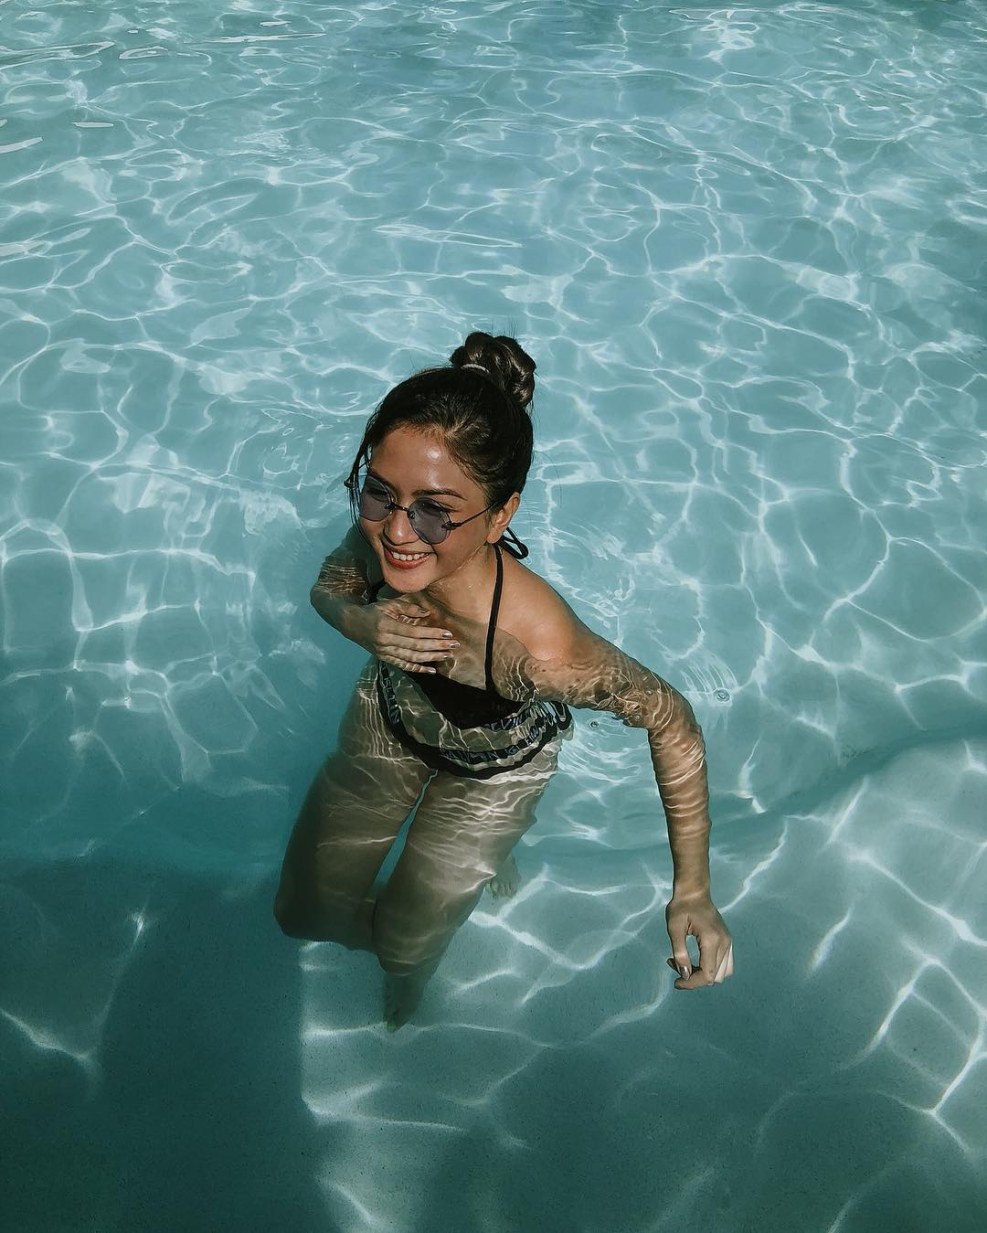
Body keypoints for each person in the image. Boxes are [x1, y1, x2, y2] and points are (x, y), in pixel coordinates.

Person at [275, 332, 734, 1029]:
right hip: (390, 713)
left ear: (500, 515)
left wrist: (693, 888)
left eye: (435, 509)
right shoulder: (377, 537)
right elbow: (332, 581)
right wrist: (356, 622)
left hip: (494, 762)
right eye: (378, 493)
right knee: (301, 912)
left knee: (402, 945)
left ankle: (415, 963)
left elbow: (670, 716)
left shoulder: (540, 647)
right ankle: (432, 907)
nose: (398, 531)